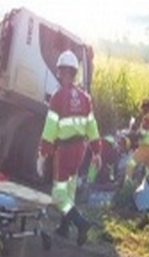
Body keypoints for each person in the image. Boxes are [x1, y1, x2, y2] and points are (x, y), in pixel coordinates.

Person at [36, 50, 102, 246]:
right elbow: (92, 126)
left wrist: (42, 154)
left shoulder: (58, 97)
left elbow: (50, 129)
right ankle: (65, 228)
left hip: (64, 151)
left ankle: (81, 224)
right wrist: (97, 151)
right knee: (70, 189)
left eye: (60, 71)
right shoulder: (85, 98)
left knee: (59, 194)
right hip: (80, 150)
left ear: (63, 72)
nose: (59, 74)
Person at [124, 99, 149, 183]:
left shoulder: (147, 117)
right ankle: (147, 189)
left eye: (143, 108)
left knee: (130, 164)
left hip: (145, 148)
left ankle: (127, 185)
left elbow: (142, 132)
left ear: (147, 107)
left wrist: (133, 132)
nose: (142, 110)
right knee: (148, 171)